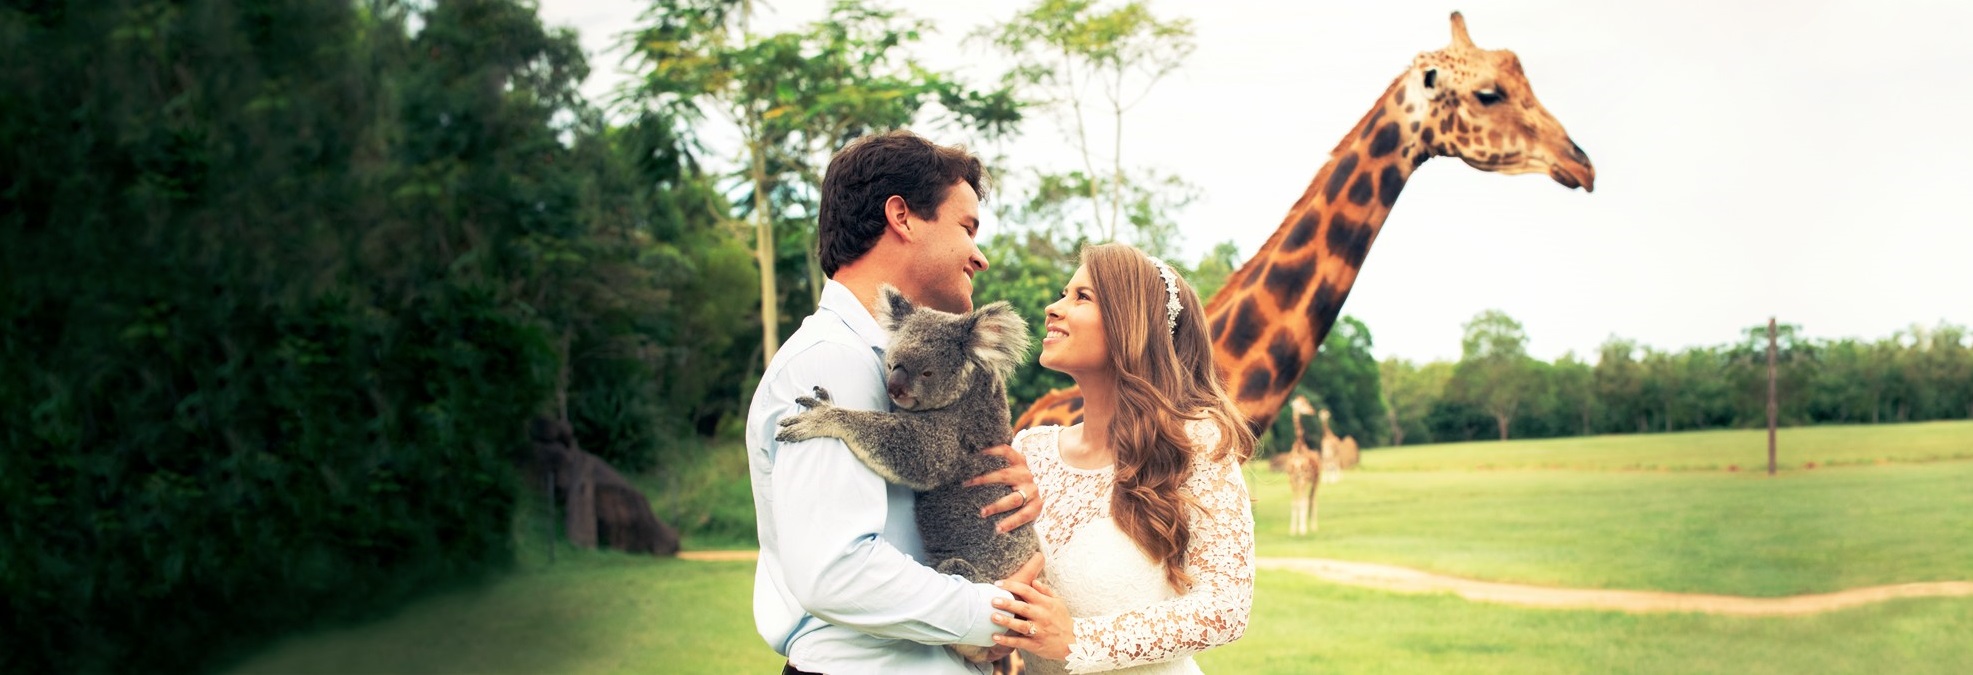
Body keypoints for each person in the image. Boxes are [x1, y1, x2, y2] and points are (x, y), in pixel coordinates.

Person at [746, 130, 1047, 675]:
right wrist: (989, 612)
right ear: (902, 217)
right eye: (967, 227)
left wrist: (1008, 488)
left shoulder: (895, 355)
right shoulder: (830, 362)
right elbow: (836, 571)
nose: (979, 256)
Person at [986, 243, 1257, 674]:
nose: (1052, 308)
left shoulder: (1195, 443)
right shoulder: (1029, 451)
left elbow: (1225, 607)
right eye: (1062, 293)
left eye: (1081, 296)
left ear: (1130, 322)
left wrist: (1079, 641)